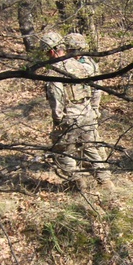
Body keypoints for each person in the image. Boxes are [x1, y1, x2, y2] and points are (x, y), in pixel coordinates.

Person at [41, 31, 113, 191]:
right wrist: (94, 109)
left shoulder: (55, 71)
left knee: (62, 150)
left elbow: (56, 99)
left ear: (52, 51)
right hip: (86, 113)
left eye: (46, 53)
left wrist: (57, 120)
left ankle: (77, 182)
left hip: (70, 116)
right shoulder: (81, 66)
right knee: (91, 148)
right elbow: (94, 89)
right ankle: (105, 181)